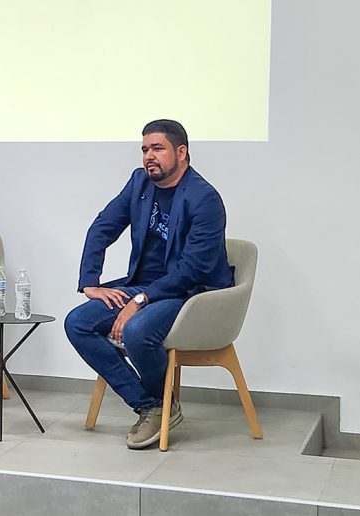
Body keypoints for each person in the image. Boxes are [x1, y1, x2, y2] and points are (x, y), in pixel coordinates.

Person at [65, 119, 235, 449]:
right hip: (144, 286)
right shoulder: (139, 183)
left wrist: (140, 300)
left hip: (190, 293)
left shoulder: (205, 199)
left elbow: (192, 270)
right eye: (145, 149)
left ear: (181, 152)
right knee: (78, 323)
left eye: (157, 148)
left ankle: (156, 406)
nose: (148, 157)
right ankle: (152, 405)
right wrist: (90, 282)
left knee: (138, 331)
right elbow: (102, 227)